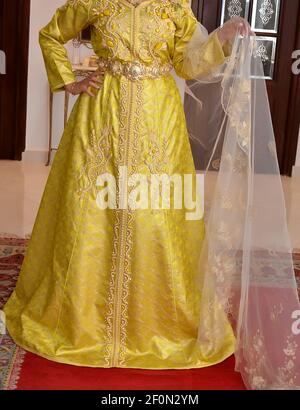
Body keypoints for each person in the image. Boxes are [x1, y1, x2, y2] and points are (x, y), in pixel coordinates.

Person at [3, 0, 251, 370]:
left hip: (158, 121)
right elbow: (50, 35)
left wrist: (223, 37)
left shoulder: (174, 7)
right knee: (89, 212)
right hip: (102, 115)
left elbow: (188, 64)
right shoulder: (94, 1)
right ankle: (80, 316)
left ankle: (153, 320)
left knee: (154, 216)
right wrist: (69, 80)